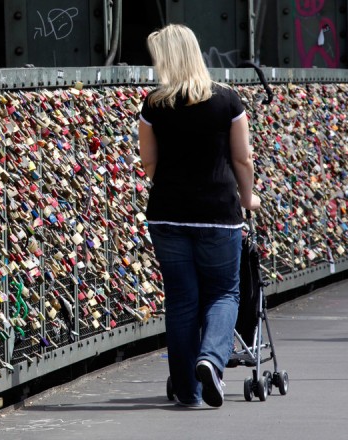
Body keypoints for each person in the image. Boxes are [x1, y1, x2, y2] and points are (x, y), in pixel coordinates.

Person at [137, 24, 261, 408]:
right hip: (218, 214)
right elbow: (243, 158)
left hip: (167, 215)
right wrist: (248, 197)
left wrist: (174, 185)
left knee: (181, 300)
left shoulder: (153, 104)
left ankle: (187, 391)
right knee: (224, 294)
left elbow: (148, 163)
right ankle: (210, 359)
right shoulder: (227, 100)